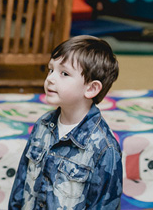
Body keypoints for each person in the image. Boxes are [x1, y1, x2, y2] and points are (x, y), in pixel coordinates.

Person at [7, 35, 123, 209]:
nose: (51, 79)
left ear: (91, 88)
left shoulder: (104, 148)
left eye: (64, 73)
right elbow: (20, 183)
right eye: (50, 70)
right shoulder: (42, 125)